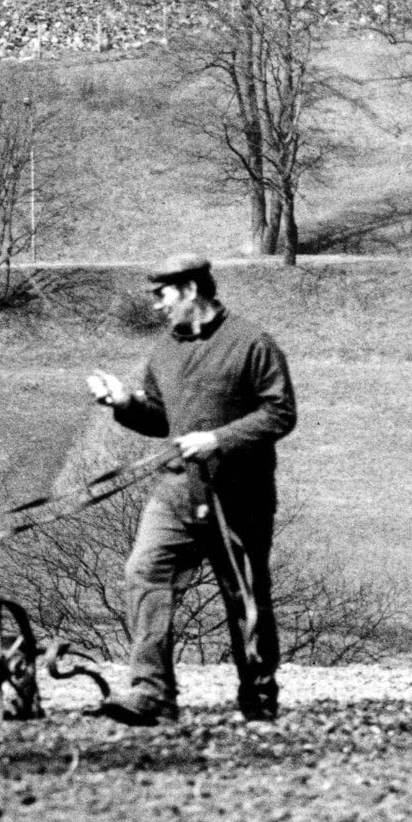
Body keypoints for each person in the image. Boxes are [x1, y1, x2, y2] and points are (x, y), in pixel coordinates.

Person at [85, 252, 296, 726]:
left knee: (244, 597)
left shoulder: (251, 343)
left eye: (162, 295)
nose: (157, 306)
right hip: (177, 493)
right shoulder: (164, 351)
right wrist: (124, 403)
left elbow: (280, 413)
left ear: (191, 290)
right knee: (144, 572)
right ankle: (152, 696)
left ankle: (259, 700)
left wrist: (219, 438)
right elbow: (161, 418)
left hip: (238, 496)